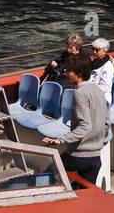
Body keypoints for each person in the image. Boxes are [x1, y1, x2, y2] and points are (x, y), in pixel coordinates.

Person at [41, 57, 108, 185]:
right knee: (87, 195)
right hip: (95, 158)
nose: (65, 72)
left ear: (79, 73)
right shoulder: (99, 91)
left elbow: (85, 125)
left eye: (69, 70)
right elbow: (106, 124)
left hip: (78, 156)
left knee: (50, 172)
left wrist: (61, 140)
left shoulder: (80, 93)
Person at [88, 37, 114, 104]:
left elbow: (104, 87)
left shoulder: (108, 66)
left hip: (102, 99)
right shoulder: (94, 63)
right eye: (93, 49)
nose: (94, 52)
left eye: (97, 50)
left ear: (104, 51)